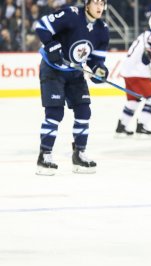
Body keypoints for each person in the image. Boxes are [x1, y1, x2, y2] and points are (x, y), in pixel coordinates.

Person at [35, 0, 109, 175]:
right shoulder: (71, 15)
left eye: (103, 3)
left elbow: (96, 60)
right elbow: (42, 26)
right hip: (52, 70)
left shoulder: (102, 30)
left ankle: (79, 154)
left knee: (84, 111)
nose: (100, 7)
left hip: (75, 72)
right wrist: (51, 45)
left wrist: (100, 70)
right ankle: (44, 155)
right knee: (54, 113)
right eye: (96, 3)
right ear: (87, 4)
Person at [116, 13, 151, 137]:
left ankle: (121, 126)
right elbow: (150, 59)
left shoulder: (145, 34)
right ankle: (142, 126)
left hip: (127, 71)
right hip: (138, 73)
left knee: (133, 100)